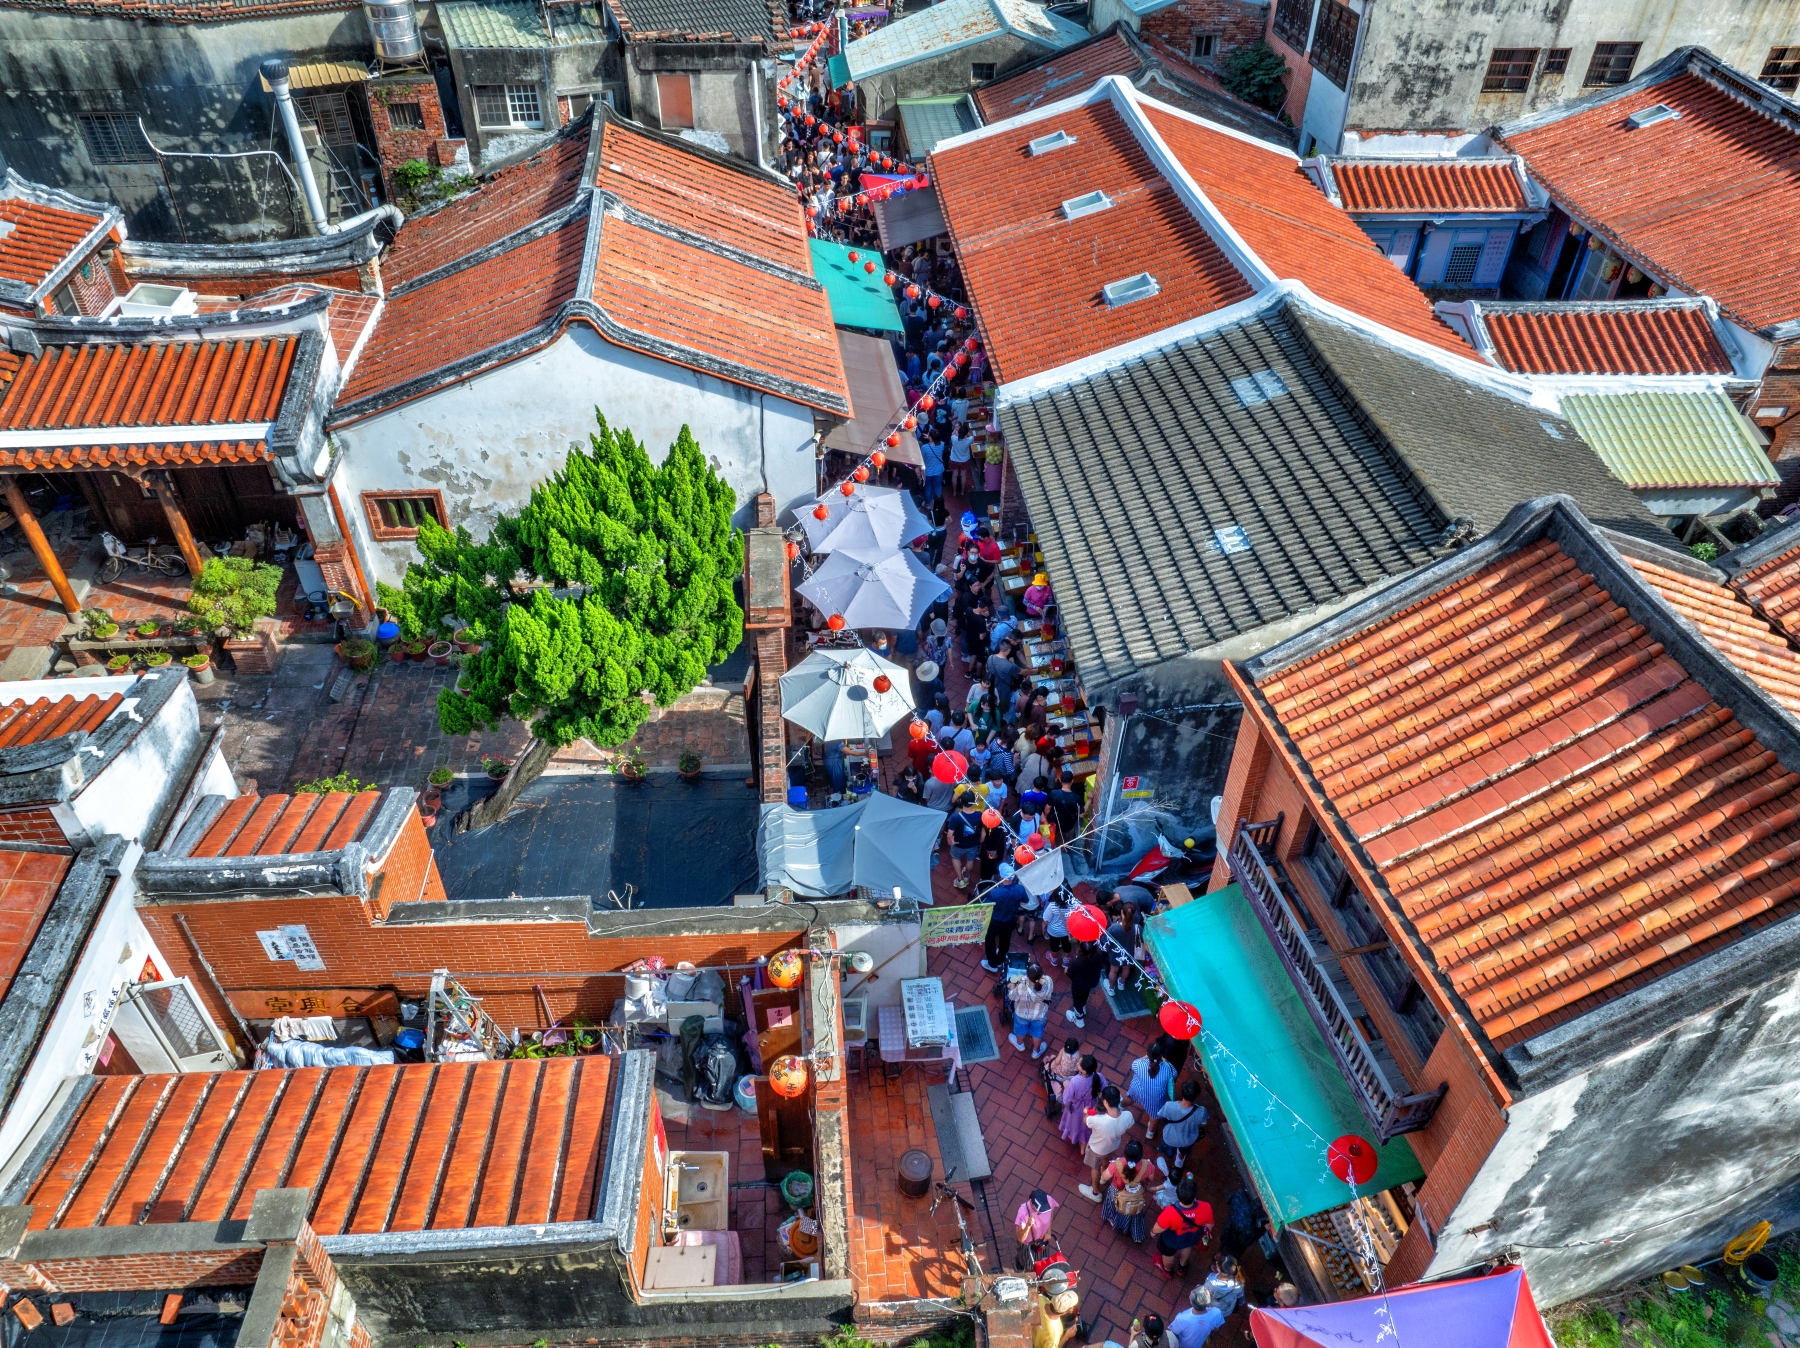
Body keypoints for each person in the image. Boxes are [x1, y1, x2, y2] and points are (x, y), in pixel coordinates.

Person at [1078, 1085, 1134, 1202]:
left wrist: (1090, 1110)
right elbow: (1129, 1125)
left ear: (1105, 1102)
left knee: (1094, 1168)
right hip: (1113, 1144)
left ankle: (1095, 1192)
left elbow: (1085, 1120)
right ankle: (1104, 1176)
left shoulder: (1098, 1120)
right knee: (1106, 1159)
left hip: (1097, 1148)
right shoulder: (1128, 1116)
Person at [1153, 1177, 1213, 1279]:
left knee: (1168, 1253)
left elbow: (1159, 1227)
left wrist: (1152, 1232)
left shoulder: (1170, 1212)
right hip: (1191, 1237)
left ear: (1178, 1196)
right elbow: (1210, 1226)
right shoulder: (1206, 1207)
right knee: (1186, 1247)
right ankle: (1181, 1268)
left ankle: (1167, 1270)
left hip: (1172, 1239)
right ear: (1194, 1196)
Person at [1100, 1139, 1152, 1243]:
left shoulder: (1116, 1165)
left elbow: (1104, 1177)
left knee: (1114, 1205)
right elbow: (1150, 1179)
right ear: (1141, 1155)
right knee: (1132, 1211)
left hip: (1117, 1192)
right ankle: (1130, 1228)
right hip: (1135, 1194)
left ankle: (1113, 1220)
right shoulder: (1148, 1166)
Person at [1156, 1079, 1207, 1174]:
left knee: (1168, 1154)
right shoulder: (1202, 1111)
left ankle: (1168, 1170)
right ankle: (1179, 1162)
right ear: (1196, 1095)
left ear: (1182, 1092)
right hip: (1188, 1139)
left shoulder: (1169, 1106)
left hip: (1169, 1137)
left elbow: (1162, 1115)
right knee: (1183, 1151)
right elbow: (1203, 1123)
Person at [1057, 1053, 1105, 1149]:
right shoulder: (1098, 1076)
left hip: (1076, 1107)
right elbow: (1104, 1089)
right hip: (1092, 1104)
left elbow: (1066, 1098)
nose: (1077, 1063)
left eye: (1079, 1064)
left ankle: (1077, 1140)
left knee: (1076, 1124)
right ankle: (1084, 1144)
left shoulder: (1075, 1081)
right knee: (1086, 1126)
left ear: (1083, 1070)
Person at [983, 867, 1027, 970]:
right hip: (1010, 920)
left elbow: (986, 906)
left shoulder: (995, 893)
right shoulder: (1020, 889)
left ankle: (992, 964)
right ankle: (1000, 960)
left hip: (996, 921)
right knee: (1005, 940)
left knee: (989, 939)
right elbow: (1025, 902)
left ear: (1001, 876)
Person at [1008, 961, 1054, 1056]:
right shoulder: (1049, 981)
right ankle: (1036, 1051)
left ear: (1028, 976)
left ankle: (1020, 1044)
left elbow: (1012, 997)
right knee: (1037, 1031)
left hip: (1021, 1014)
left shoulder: (1021, 987)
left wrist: (1011, 987)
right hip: (1040, 1015)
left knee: (1020, 1029)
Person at [1126, 1044, 1175, 1124]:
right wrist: (1165, 1061)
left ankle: (1120, 1106)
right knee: (1154, 1115)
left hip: (1138, 1091)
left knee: (1130, 1096)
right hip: (1155, 1100)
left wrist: (1146, 1056)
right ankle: (1150, 1133)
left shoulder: (1139, 1064)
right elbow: (1174, 1074)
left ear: (1147, 1054)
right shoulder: (1168, 1068)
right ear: (1161, 1056)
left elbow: (1133, 1065)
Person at [944, 795, 983, 890]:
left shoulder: (956, 818)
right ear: (974, 801)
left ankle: (960, 880)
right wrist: (981, 839)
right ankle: (966, 876)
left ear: (961, 801)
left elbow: (949, 834)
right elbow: (983, 830)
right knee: (970, 860)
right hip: (973, 843)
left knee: (956, 857)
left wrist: (950, 842)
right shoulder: (980, 815)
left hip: (958, 844)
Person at [1065, 941, 1106, 1028]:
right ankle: (1083, 1006)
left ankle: (1079, 1018)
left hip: (1079, 984)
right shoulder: (1099, 956)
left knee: (1077, 999)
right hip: (1092, 981)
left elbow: (1069, 971)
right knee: (1085, 993)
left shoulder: (1078, 962)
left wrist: (1066, 970)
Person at [1044, 1036, 1083, 1108]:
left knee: (1052, 1057)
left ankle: (1046, 1064)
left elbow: (1057, 1061)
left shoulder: (1063, 1051)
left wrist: (1051, 1064)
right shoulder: (1078, 1053)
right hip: (1072, 1074)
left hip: (1061, 1073)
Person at [1201, 1256, 1245, 1320]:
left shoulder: (1210, 1282)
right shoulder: (1239, 1283)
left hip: (1213, 1306)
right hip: (1227, 1308)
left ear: (1218, 1268)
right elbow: (1240, 1295)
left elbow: (1204, 1295)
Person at [1042, 891, 1072, 967]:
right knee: (1067, 946)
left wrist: (1044, 930)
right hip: (1067, 931)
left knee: (1054, 946)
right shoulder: (1073, 905)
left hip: (1054, 931)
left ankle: (1054, 960)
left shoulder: (1052, 906)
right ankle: (1065, 960)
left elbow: (1045, 921)